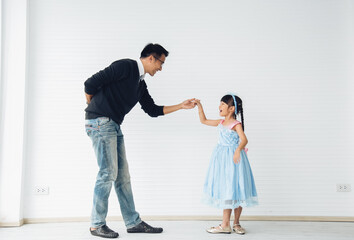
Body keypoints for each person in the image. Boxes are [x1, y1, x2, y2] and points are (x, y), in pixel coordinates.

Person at [84, 43, 196, 238]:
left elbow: (152, 110)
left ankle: (133, 222)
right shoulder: (125, 66)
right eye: (161, 63)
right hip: (101, 123)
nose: (161, 68)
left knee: (123, 176)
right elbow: (90, 84)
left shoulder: (140, 84)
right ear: (151, 58)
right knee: (107, 173)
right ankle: (96, 224)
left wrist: (180, 106)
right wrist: (94, 107)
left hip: (114, 125)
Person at [195, 95, 258, 235]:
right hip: (222, 161)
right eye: (220, 103)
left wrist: (237, 150)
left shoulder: (236, 124)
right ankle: (226, 224)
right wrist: (199, 106)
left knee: (235, 189)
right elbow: (203, 120)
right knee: (227, 188)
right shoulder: (220, 122)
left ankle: (234, 223)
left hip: (234, 161)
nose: (220, 106)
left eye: (223, 104)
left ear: (231, 108)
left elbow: (244, 140)